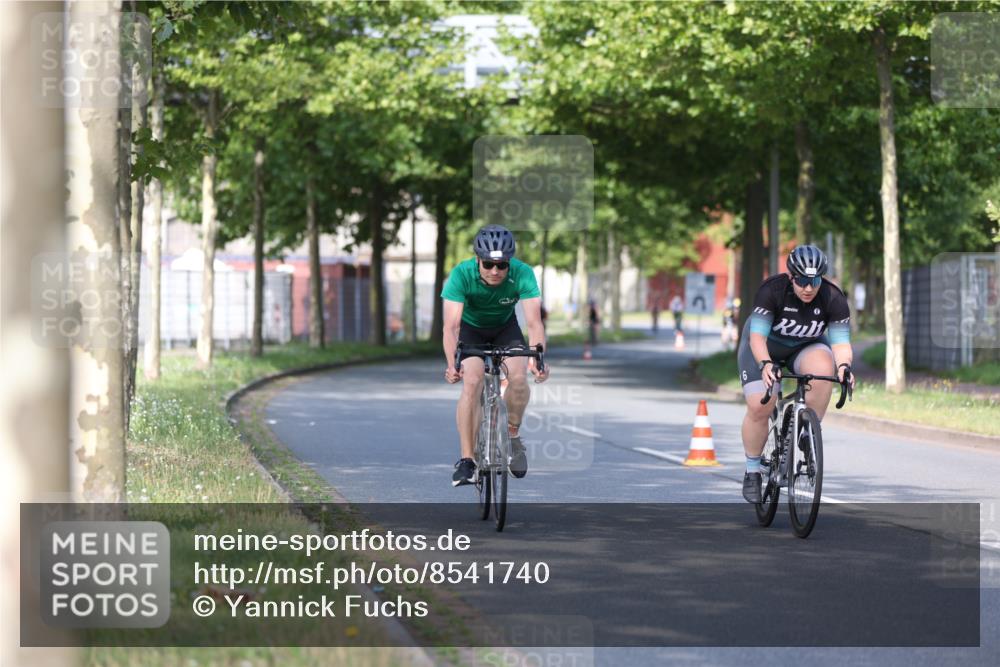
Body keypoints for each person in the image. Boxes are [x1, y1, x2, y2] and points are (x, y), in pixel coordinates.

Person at [737, 244, 855, 503]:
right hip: (764, 347)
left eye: (814, 281)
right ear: (791, 276)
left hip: (803, 348)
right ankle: (753, 471)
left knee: (826, 369)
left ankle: (807, 431)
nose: (808, 288)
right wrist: (766, 364)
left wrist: (844, 366)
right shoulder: (772, 291)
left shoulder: (833, 297)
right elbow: (757, 339)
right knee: (760, 405)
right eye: (802, 281)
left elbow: (841, 345)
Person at [441, 225, 549, 487]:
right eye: (488, 264)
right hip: (470, 330)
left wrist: (538, 358)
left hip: (505, 328)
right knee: (473, 381)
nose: (495, 271)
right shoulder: (461, 274)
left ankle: (512, 437)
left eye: (502, 265)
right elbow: (451, 327)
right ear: (478, 259)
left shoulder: (523, 274)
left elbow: (534, 323)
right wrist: (451, 363)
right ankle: (467, 460)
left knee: (519, 378)